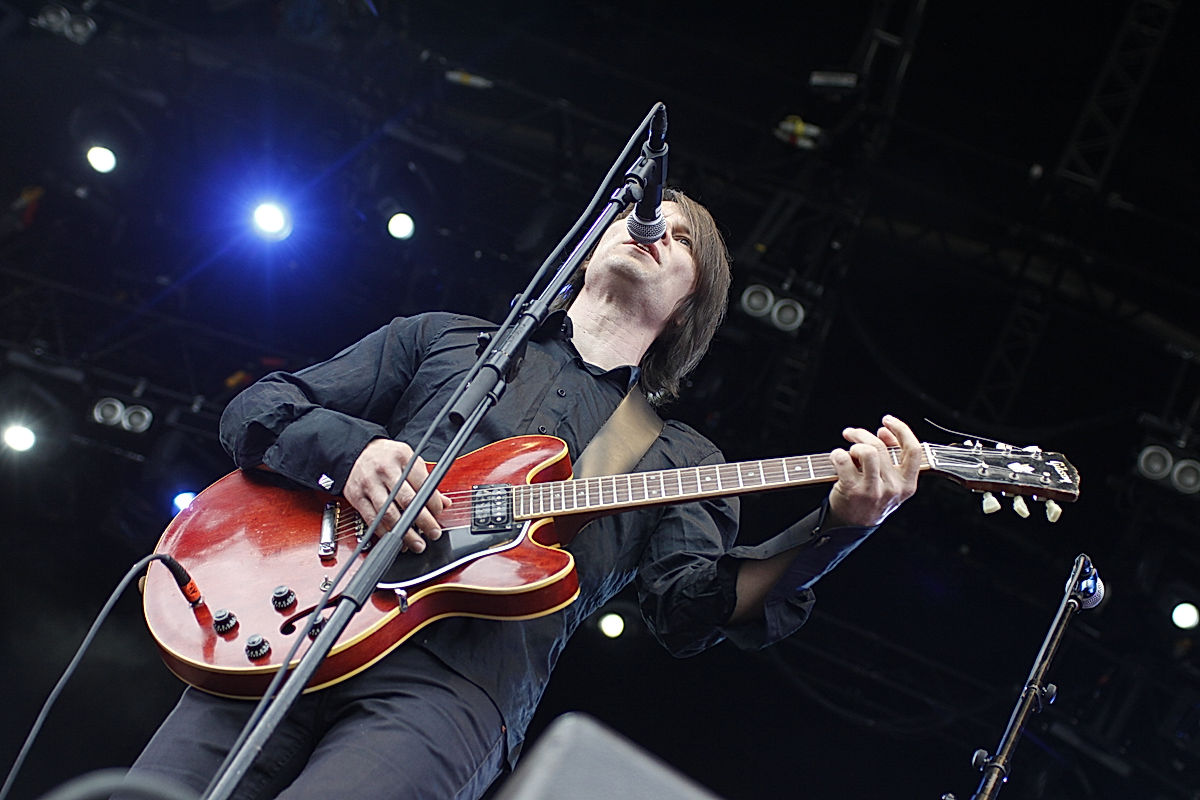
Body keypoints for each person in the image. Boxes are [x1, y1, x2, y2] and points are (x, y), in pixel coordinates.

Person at [122, 188, 921, 799]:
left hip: (455, 692)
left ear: (690, 307)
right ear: (588, 250)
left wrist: (837, 528)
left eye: (682, 241)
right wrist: (357, 453)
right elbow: (258, 411)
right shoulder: (443, 340)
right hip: (302, 624)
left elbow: (690, 612)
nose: (655, 234)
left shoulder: (679, 456)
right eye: (645, 218)